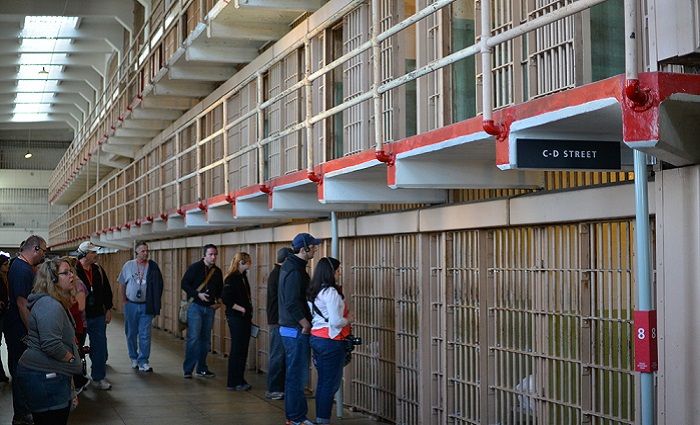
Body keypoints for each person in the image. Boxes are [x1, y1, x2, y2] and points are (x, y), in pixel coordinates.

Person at [15, 258, 83, 425]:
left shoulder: (55, 302)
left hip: (50, 374)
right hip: (44, 377)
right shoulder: (49, 305)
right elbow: (51, 345)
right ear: (52, 279)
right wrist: (72, 360)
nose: (71, 276)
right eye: (65, 273)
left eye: (71, 272)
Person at [278, 233, 321, 425]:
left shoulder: (291, 266)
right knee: (297, 375)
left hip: (289, 328)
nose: (315, 249)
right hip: (295, 329)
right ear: (304, 249)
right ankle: (296, 418)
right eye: (313, 246)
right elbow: (291, 302)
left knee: (295, 374)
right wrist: (305, 323)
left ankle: (294, 416)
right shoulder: (296, 271)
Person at [5, 235, 47, 425]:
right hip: (19, 329)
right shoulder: (22, 270)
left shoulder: (21, 266)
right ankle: (21, 414)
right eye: (44, 250)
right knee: (21, 370)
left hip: (17, 327)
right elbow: (23, 305)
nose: (45, 255)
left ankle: (24, 410)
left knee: (23, 369)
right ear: (35, 248)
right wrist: (33, 333)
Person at [307, 257, 351, 424]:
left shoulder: (314, 290)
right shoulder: (331, 292)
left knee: (324, 382)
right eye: (338, 270)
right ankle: (323, 419)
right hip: (331, 340)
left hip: (317, 338)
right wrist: (349, 319)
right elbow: (335, 321)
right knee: (329, 384)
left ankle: (321, 418)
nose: (339, 273)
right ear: (331, 272)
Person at [117, 241, 164, 372]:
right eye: (142, 251)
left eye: (147, 251)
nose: (145, 253)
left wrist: (155, 304)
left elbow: (159, 285)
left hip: (146, 305)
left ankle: (143, 360)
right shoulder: (128, 266)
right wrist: (124, 301)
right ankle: (133, 357)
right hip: (131, 304)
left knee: (145, 334)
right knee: (131, 333)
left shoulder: (153, 267)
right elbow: (122, 284)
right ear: (136, 252)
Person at [74, 242, 113, 390]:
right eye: (93, 252)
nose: (96, 255)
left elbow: (106, 291)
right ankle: (78, 379)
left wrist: (108, 309)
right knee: (76, 348)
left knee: (100, 347)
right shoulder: (74, 270)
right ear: (85, 254)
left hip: (97, 315)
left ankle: (99, 377)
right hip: (79, 316)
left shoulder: (98, 270)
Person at [181, 244, 223, 378]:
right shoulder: (195, 267)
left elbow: (220, 289)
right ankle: (188, 369)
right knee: (193, 338)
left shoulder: (217, 271)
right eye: (210, 254)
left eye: (215, 254)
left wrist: (219, 302)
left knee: (205, 339)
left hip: (209, 308)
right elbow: (184, 284)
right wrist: (197, 294)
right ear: (204, 255)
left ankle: (202, 368)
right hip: (196, 306)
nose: (213, 257)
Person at [221, 252, 254, 390]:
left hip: (244, 317)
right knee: (237, 349)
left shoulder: (242, 277)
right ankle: (233, 381)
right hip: (236, 317)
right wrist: (241, 308)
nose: (249, 265)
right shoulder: (232, 278)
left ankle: (240, 379)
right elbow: (226, 299)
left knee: (242, 349)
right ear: (241, 262)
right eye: (248, 262)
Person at [265, 247, 292, 400]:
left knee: (279, 355)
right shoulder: (279, 275)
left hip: (277, 320)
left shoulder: (276, 274)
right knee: (278, 355)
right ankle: (273, 388)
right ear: (287, 259)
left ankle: (277, 387)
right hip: (278, 321)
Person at [0, 253, 11, 383]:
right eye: (5, 264)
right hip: (1, 314)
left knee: (8, 343)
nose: (7, 266)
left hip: (7, 313)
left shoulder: (8, 277)